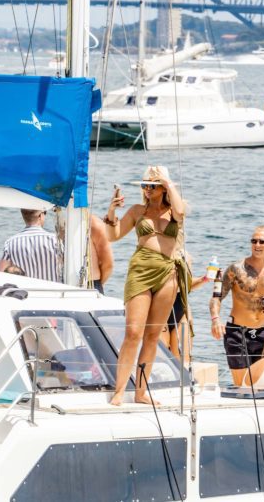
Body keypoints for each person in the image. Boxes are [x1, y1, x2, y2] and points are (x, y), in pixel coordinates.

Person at [104, 165, 188, 405]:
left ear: (163, 187)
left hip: (167, 272)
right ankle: (120, 390)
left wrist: (169, 184)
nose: (147, 189)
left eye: (152, 185)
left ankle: (141, 392)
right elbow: (113, 235)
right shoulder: (137, 210)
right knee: (133, 333)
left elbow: (181, 212)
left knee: (153, 336)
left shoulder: (173, 212)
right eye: (145, 185)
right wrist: (112, 210)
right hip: (140, 270)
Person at [209, 225, 264, 385]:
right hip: (236, 333)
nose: (257, 245)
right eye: (254, 241)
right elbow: (216, 297)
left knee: (263, 382)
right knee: (242, 384)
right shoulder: (236, 269)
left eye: (262, 242)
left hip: (263, 333)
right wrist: (215, 319)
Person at [0, 209, 62, 281]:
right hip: (53, 291)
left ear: (23, 216)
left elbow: (2, 273)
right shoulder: (55, 241)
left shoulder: (10, 243)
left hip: (25, 291)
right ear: (40, 215)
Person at [89, 214, 114, 293]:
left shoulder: (94, 224)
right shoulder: (94, 223)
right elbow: (108, 265)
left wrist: (99, 284)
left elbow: (108, 265)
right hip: (92, 283)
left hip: (91, 284)